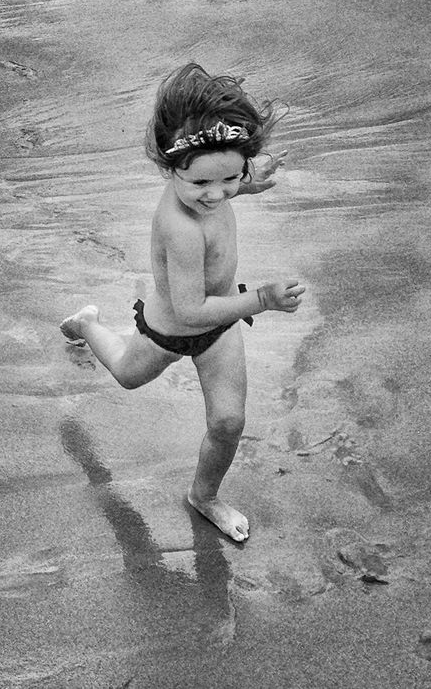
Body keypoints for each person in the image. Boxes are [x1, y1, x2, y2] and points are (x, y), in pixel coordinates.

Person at [60, 63, 305, 543]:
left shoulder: (206, 178)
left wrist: (247, 183)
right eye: (202, 185)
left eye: (230, 178)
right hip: (173, 328)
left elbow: (220, 179)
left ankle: (204, 496)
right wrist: (261, 299)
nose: (217, 195)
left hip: (219, 328)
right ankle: (88, 325)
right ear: (169, 170)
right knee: (128, 376)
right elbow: (191, 311)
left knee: (229, 420)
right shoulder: (181, 228)